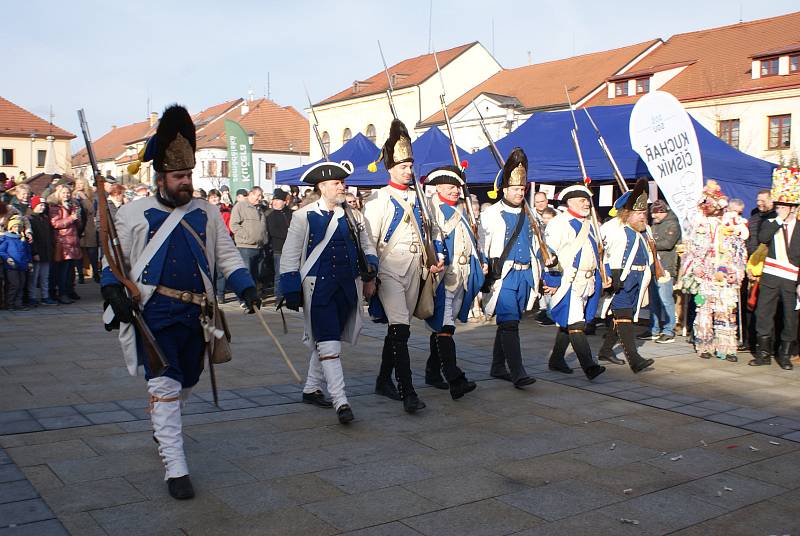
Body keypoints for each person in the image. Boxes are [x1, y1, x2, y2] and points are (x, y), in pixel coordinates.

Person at [100, 105, 259, 500]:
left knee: (186, 381)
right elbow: (112, 260)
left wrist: (245, 285)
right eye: (178, 176)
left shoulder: (205, 212)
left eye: (188, 175)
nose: (185, 182)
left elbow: (226, 255)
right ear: (160, 178)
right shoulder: (134, 213)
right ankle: (176, 467)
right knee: (166, 385)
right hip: (154, 312)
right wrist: (111, 289)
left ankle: (162, 418)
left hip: (198, 314)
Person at [280, 160, 378, 424]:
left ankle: (312, 388)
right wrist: (290, 287)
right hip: (319, 288)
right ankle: (341, 401)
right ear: (322, 187)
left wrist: (372, 267)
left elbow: (367, 244)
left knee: (327, 339)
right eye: (336, 183)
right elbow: (290, 253)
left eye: (342, 182)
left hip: (347, 287)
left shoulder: (354, 215)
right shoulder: (304, 216)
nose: (342, 187)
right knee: (330, 343)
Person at [363, 118, 444, 413]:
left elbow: (431, 233)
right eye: (402, 167)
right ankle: (407, 390)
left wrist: (435, 260)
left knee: (401, 328)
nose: (408, 171)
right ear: (390, 168)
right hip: (389, 269)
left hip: (416, 270)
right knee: (400, 329)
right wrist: (370, 275)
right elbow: (369, 241)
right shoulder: (379, 200)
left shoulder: (422, 199)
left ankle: (383, 380)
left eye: (410, 166)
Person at [479, 148, 540, 388]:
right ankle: (518, 373)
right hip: (503, 274)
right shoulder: (491, 213)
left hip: (525, 274)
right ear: (504, 189)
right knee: (509, 322)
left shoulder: (530, 213)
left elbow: (537, 244)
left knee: (509, 321)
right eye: (515, 189)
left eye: (522, 189)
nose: (519, 192)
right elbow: (482, 243)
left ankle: (497, 366)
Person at [422, 165, 481, 399]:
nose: (455, 191)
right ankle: (455, 378)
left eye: (457, 187)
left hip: (461, 275)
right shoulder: (431, 210)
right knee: (445, 327)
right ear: (437, 188)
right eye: (450, 187)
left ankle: (432, 372)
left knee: (444, 327)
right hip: (442, 276)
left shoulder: (461, 212)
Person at [542, 183, 607, 380]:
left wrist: (604, 274)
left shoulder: (592, 223)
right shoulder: (559, 223)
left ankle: (556, 359)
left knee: (569, 322)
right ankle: (589, 366)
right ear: (570, 202)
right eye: (581, 200)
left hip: (588, 281)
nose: (586, 203)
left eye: (587, 200)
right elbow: (549, 254)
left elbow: (598, 253)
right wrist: (551, 281)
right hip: (569, 280)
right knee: (576, 323)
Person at [680, 180, 748, 361]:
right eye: (706, 205)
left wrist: (736, 271)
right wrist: (696, 269)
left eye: (711, 205)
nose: (708, 208)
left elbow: (738, 252)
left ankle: (727, 348)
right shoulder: (699, 226)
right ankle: (704, 345)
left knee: (725, 311)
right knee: (703, 310)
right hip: (705, 278)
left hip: (725, 278)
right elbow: (691, 251)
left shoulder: (730, 226)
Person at [596, 179, 655, 373]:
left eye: (644, 212)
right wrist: (607, 275)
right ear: (626, 213)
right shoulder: (611, 228)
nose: (643, 216)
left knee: (623, 317)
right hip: (619, 279)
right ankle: (635, 360)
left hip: (638, 280)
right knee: (624, 317)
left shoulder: (646, 231)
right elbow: (599, 252)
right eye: (639, 213)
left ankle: (605, 351)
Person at [749, 170, 800, 370]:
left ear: (793, 208)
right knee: (763, 313)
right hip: (770, 275)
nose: (780, 209)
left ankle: (785, 355)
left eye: (784, 206)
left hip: (790, 278)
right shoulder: (770, 223)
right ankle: (763, 353)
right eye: (779, 206)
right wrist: (779, 219)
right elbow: (762, 238)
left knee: (789, 317)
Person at [640, 200, 681, 344]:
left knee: (666, 300)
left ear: (662, 211)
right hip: (653, 266)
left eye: (655, 212)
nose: (653, 215)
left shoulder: (673, 224)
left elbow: (668, 243)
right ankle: (654, 329)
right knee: (654, 301)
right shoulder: (654, 225)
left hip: (666, 268)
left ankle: (669, 330)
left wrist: (651, 243)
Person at [229, 186, 267, 305]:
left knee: (255, 275)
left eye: (261, 196)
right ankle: (242, 299)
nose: (260, 198)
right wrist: (246, 236)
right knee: (245, 275)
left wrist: (264, 239)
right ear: (251, 194)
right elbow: (233, 225)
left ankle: (252, 299)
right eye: (258, 195)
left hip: (259, 247)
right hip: (245, 247)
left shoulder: (259, 208)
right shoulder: (240, 206)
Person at [49, 185, 83, 304]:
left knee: (70, 270)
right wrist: (71, 218)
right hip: (62, 242)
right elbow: (55, 224)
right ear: (58, 194)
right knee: (63, 270)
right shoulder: (55, 207)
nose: (66, 195)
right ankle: (62, 293)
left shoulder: (72, 206)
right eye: (64, 193)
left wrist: (77, 218)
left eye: (68, 193)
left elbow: (77, 225)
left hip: (72, 241)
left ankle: (69, 290)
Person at [28, 196, 56, 305]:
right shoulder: (30, 219)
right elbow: (32, 239)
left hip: (46, 252)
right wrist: (34, 252)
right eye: (40, 205)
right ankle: (32, 297)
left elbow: (49, 236)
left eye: (43, 205)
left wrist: (51, 249)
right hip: (37, 253)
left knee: (45, 276)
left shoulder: (45, 218)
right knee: (34, 277)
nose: (42, 207)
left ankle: (45, 296)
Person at [0, 215, 33, 310]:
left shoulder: (22, 239)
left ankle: (18, 303)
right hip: (11, 266)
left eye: (19, 226)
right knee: (14, 285)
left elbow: (28, 252)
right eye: (15, 226)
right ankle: (10, 303)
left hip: (22, 266)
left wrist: (29, 262)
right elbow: (1, 251)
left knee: (21, 285)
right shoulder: (6, 238)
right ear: (11, 227)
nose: (17, 228)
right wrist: (8, 258)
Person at [266, 189, 292, 302]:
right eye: (274, 200)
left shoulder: (290, 213)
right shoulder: (271, 215)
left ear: (284, 202)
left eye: (278, 200)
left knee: (290, 273)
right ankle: (279, 296)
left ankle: (289, 294)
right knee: (279, 274)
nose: (275, 202)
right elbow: (273, 231)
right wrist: (289, 235)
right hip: (278, 248)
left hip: (291, 248)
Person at [73, 178, 99, 283]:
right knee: (78, 253)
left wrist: (84, 198)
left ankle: (96, 274)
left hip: (89, 227)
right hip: (78, 228)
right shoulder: (72, 195)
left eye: (81, 183)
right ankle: (80, 275)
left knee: (92, 252)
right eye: (77, 183)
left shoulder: (91, 195)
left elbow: (92, 210)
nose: (79, 185)